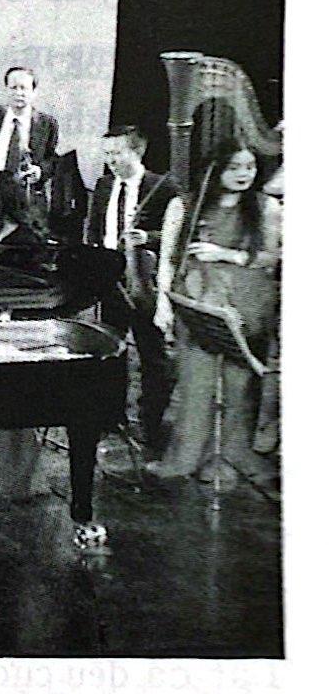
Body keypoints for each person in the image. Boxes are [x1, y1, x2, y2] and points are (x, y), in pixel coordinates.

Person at [150, 139, 282, 480]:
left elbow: (272, 257)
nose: (244, 174)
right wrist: (163, 302)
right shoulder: (184, 205)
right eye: (234, 167)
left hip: (249, 305)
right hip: (198, 302)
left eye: (250, 167)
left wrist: (226, 254)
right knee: (196, 384)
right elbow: (168, 258)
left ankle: (230, 459)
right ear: (215, 169)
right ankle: (188, 458)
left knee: (240, 387)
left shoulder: (267, 207)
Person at [85, 120, 180, 456]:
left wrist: (148, 238)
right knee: (110, 352)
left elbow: (178, 233)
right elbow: (94, 231)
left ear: (138, 151)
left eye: (117, 152)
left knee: (152, 357)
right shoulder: (103, 185)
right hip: (111, 282)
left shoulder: (162, 186)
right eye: (107, 153)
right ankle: (113, 420)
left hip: (144, 282)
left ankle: (151, 425)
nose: (111, 159)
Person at [0, 65, 59, 238]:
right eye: (13, 88)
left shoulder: (47, 124)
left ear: (34, 92)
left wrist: (39, 171)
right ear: (6, 90)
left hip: (24, 196)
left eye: (24, 88)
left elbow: (52, 159)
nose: (18, 93)